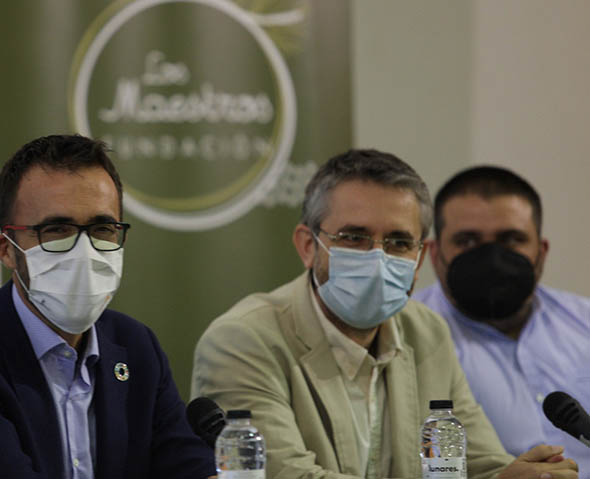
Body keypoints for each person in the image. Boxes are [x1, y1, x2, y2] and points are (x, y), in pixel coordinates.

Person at [191, 150, 579, 479]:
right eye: (354, 237)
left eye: (398, 242)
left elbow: (476, 465)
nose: (377, 258)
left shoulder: (426, 330)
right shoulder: (243, 340)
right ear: (308, 246)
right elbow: (289, 476)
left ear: (420, 256)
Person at [0, 134, 215, 478]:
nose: (84, 251)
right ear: (7, 249)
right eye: (57, 230)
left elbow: (186, 463)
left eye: (102, 228)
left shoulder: (135, 347)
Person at [413, 165, 590, 474]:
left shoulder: (584, 322)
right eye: (467, 241)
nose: (491, 258)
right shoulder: (406, 337)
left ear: (541, 251)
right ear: (434, 253)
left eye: (511, 240)